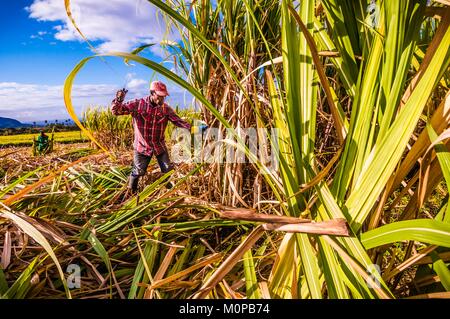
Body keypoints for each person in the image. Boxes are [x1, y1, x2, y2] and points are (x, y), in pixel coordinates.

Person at [111, 80, 192, 194]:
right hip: (142, 146)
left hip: (159, 145)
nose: (162, 99)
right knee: (138, 171)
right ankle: (131, 193)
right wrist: (119, 100)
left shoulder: (165, 109)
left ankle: (170, 194)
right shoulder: (138, 104)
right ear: (152, 93)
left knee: (168, 170)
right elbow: (116, 111)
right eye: (159, 96)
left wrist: (196, 129)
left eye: (164, 96)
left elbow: (179, 122)